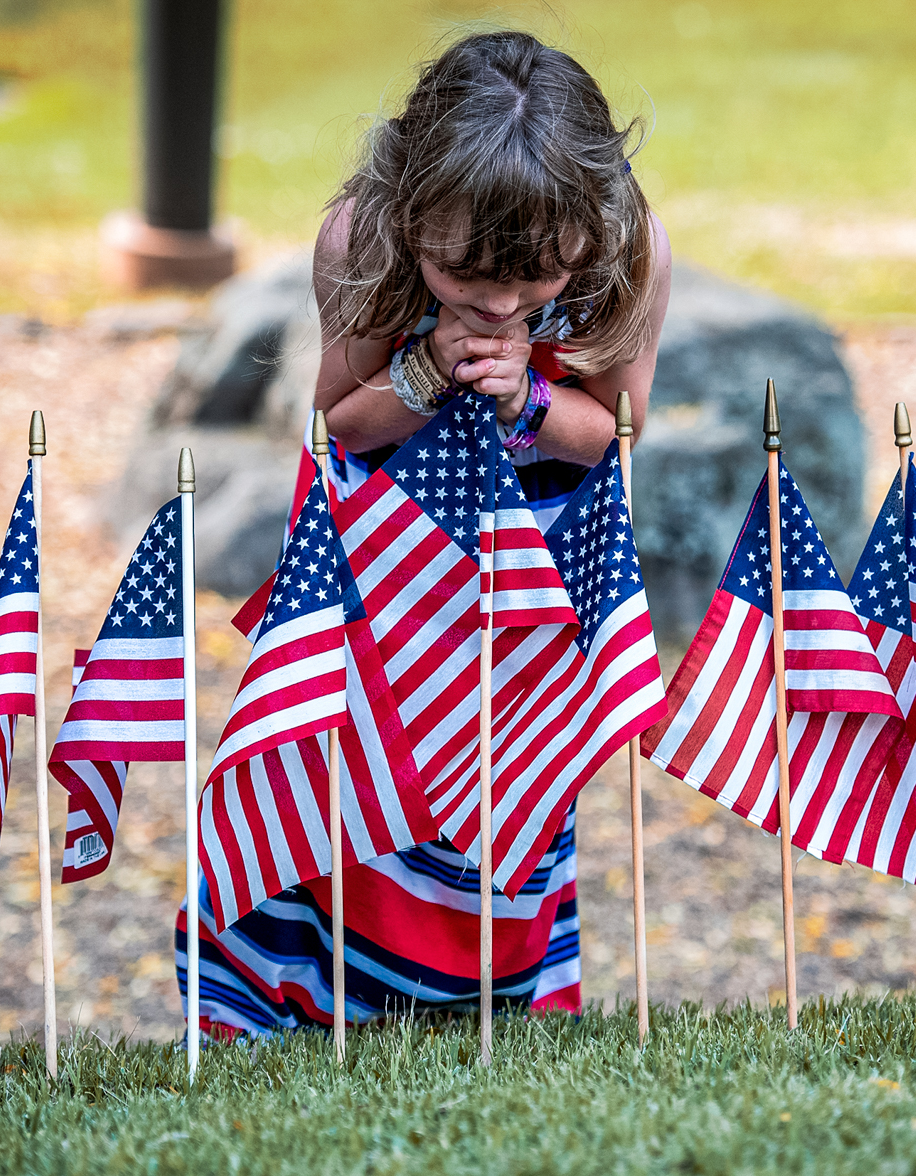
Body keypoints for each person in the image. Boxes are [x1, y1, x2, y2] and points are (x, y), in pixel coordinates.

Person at [176, 28, 673, 1036]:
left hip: (530, 567)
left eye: (534, 280)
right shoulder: (358, 238)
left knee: (504, 796)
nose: (498, 301)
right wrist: (426, 372)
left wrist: (529, 401)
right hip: (386, 549)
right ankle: (316, 1007)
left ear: (588, 225)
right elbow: (332, 428)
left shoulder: (632, 249)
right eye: (463, 275)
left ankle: (486, 1007)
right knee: (365, 785)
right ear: (412, 215)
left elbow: (618, 434)